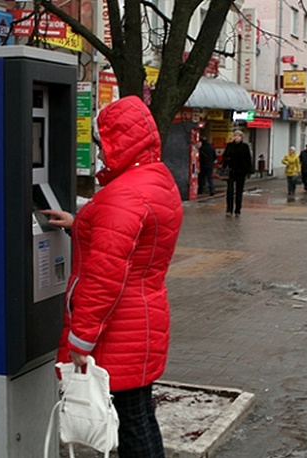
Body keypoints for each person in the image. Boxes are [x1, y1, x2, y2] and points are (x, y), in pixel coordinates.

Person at [40, 96, 183, 458]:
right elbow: (127, 243)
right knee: (140, 416)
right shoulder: (156, 180)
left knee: (132, 425)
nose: (101, 153)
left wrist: (81, 341)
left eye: (104, 143)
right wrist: (79, 225)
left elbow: (103, 278)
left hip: (118, 330)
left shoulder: (123, 195)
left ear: (122, 140)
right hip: (143, 319)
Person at [222, 130, 253, 216]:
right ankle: (229, 209)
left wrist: (249, 171)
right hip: (231, 171)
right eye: (235, 135)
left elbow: (248, 159)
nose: (236, 137)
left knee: (239, 191)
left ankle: (237, 210)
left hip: (241, 172)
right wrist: (225, 164)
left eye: (238, 136)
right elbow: (225, 156)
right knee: (230, 191)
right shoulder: (229, 146)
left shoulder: (245, 146)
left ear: (241, 137)